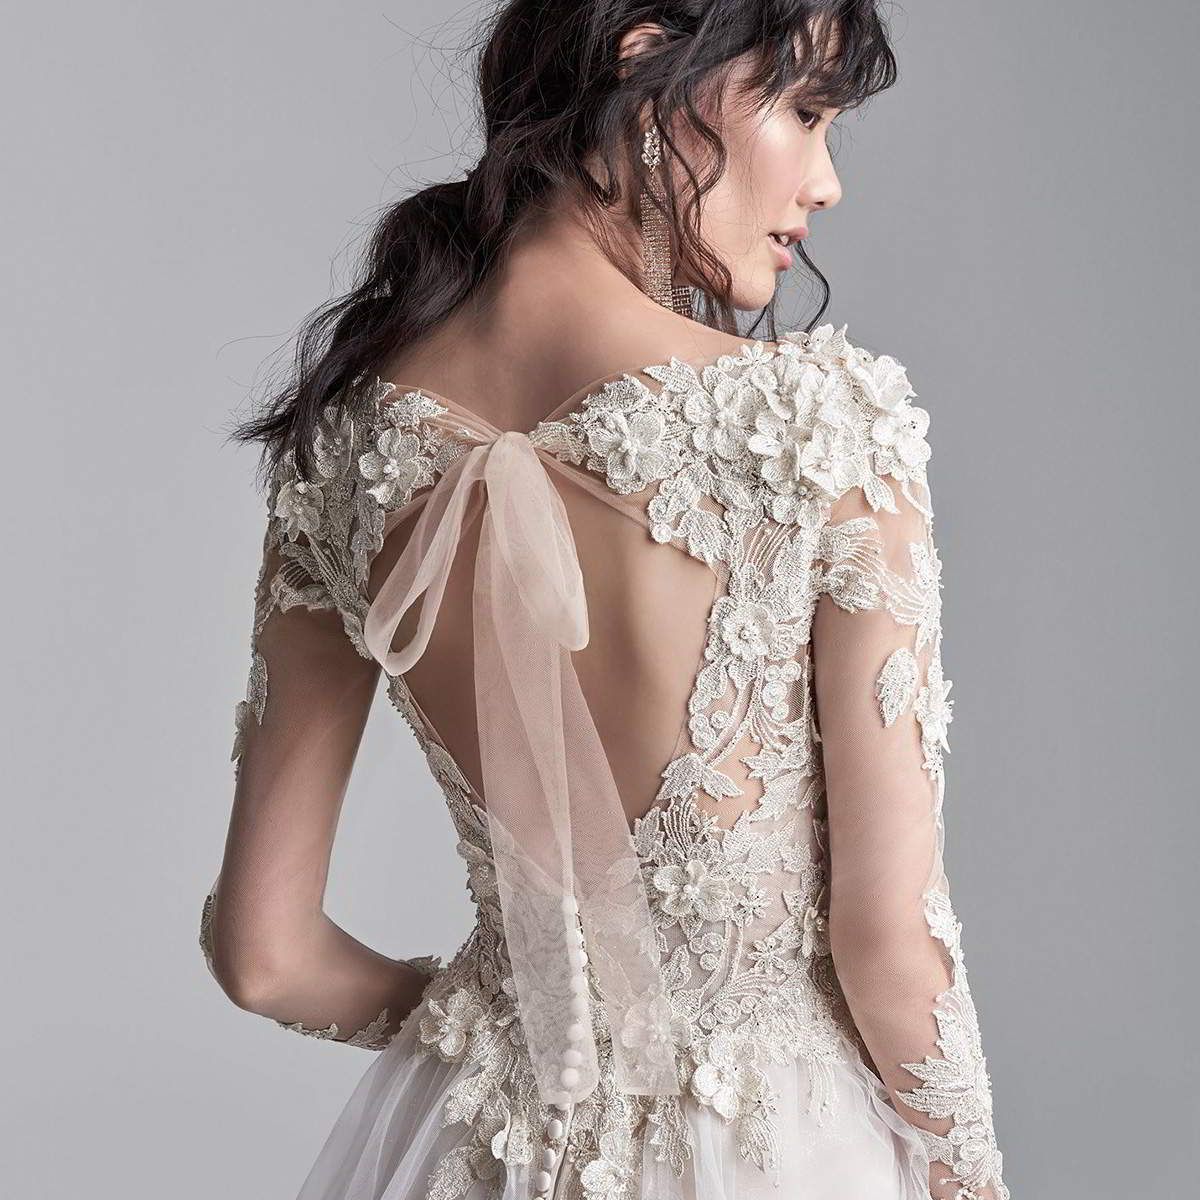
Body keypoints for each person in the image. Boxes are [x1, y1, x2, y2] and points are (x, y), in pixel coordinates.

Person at [200, 2, 1010, 1197]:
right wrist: (973, 1182)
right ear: (647, 65)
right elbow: (886, 943)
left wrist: (505, 1022)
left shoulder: (342, 452)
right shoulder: (819, 430)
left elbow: (264, 958)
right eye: (804, 112)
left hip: (490, 1146)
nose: (826, 181)